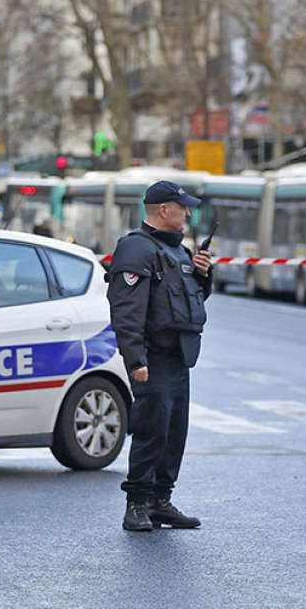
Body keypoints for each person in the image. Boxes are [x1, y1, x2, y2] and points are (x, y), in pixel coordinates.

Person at [107, 180, 213, 531]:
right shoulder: (137, 249)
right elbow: (126, 310)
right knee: (151, 431)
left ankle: (160, 500)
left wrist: (204, 276)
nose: (188, 213)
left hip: (179, 358)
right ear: (163, 210)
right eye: (182, 207)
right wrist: (135, 359)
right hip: (153, 358)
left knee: (173, 432)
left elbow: (189, 300)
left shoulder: (178, 251)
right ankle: (136, 503)